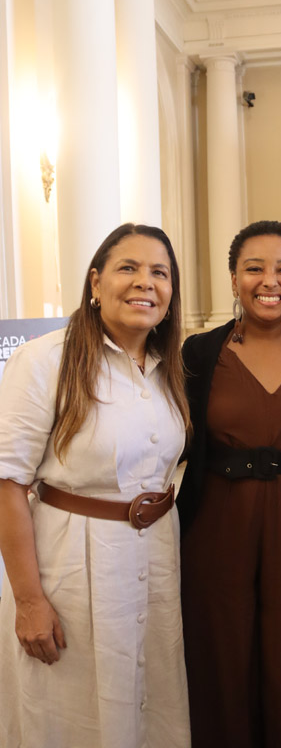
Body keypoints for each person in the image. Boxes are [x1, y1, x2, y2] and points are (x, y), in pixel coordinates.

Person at [0, 223, 191, 748]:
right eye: (127, 268)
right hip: (73, 567)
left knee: (148, 705)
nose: (144, 283)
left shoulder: (167, 366)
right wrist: (28, 600)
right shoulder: (44, 360)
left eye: (160, 272)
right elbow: (7, 483)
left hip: (153, 559)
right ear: (95, 281)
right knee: (72, 713)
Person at [178, 220, 281, 748]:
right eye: (254, 268)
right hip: (217, 526)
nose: (270, 281)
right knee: (220, 662)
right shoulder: (198, 354)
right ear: (233, 278)